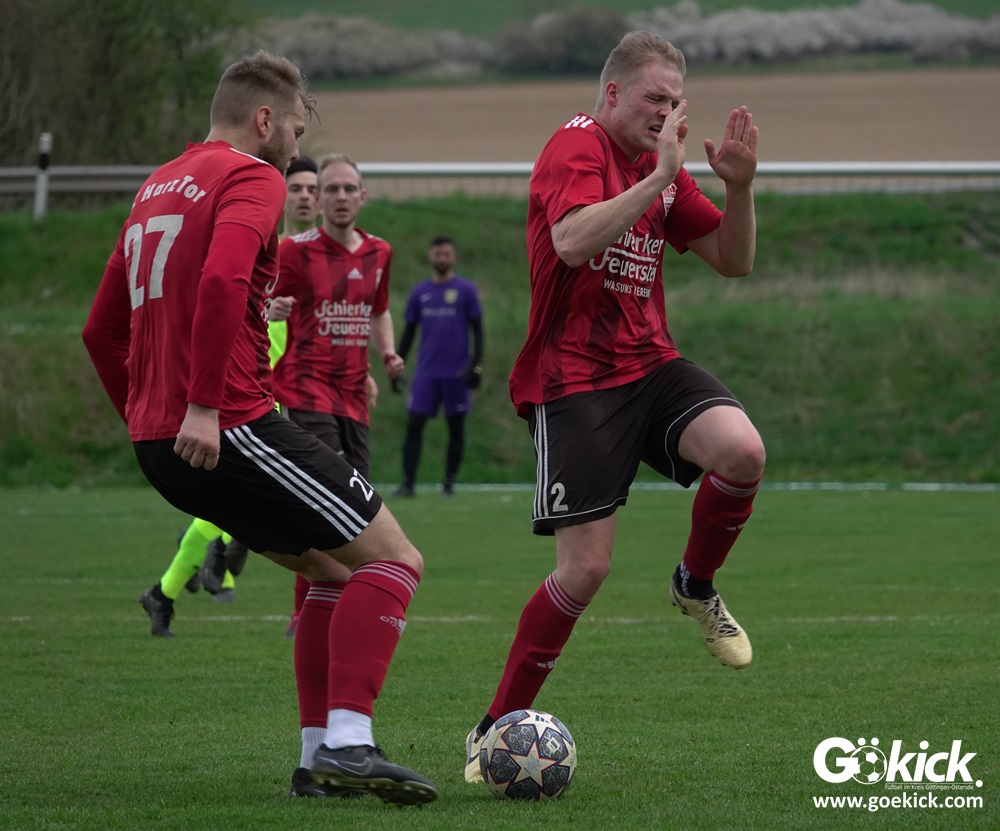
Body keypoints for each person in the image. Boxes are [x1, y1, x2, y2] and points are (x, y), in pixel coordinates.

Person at [81, 50, 436, 805]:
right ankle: (351, 743)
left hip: (162, 442)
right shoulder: (252, 175)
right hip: (233, 422)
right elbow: (222, 279)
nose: (298, 147)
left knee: (330, 572)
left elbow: (100, 330)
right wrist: (204, 406)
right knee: (396, 560)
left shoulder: (156, 184)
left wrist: (148, 418)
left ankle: (316, 761)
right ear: (266, 119)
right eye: (297, 129)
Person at [463, 30, 765, 783]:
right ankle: (494, 727)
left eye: (675, 101)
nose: (666, 112)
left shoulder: (662, 169)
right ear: (611, 94)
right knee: (585, 571)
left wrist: (738, 188)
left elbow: (734, 260)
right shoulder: (576, 144)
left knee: (743, 451)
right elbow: (570, 240)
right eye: (654, 97)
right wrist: (658, 177)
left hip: (649, 363)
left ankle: (694, 585)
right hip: (573, 381)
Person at [136, 156, 324, 637]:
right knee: (242, 509)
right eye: (296, 187)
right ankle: (200, 574)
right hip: (253, 398)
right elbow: (223, 303)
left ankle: (173, 586)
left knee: (234, 510)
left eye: (312, 188)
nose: (305, 196)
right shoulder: (256, 244)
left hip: (304, 395)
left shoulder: (329, 256)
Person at [269, 153, 405, 686]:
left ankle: (331, 605)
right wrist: (270, 310)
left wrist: (386, 354)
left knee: (357, 514)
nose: (341, 197)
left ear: (362, 197)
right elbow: (255, 302)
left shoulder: (379, 252)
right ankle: (306, 610)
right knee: (328, 508)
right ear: (318, 198)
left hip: (353, 399)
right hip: (305, 392)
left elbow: (377, 310)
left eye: (350, 189)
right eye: (332, 189)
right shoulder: (294, 252)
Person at [392, 235, 483, 498]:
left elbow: (478, 330)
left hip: (456, 372)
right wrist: (397, 364)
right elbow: (409, 333)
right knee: (414, 424)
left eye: (446, 254)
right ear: (430, 257)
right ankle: (408, 484)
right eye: (438, 254)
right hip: (427, 372)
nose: (442, 258)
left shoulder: (466, 290)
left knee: (456, 427)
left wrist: (477, 365)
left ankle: (449, 483)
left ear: (453, 257)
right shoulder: (420, 292)